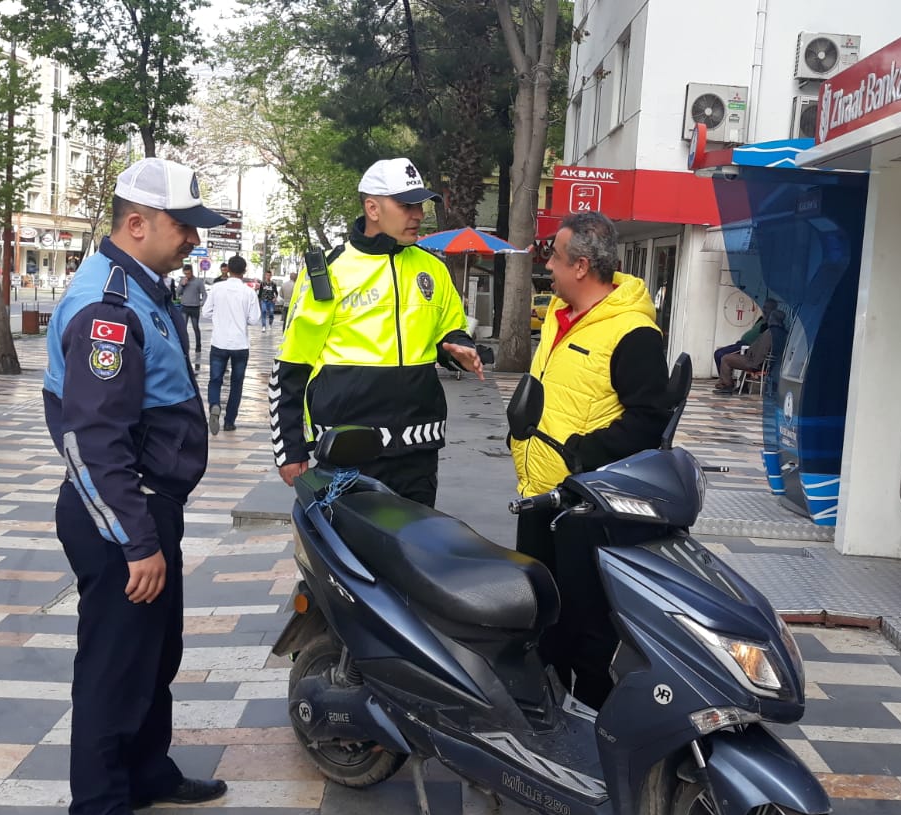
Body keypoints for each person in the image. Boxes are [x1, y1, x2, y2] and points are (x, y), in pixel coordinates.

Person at [41, 157, 228, 815]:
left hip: (148, 509)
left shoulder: (143, 288)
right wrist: (135, 541)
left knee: (155, 653)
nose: (193, 240)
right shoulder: (108, 308)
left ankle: (148, 772)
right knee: (115, 668)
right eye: (185, 226)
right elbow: (93, 441)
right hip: (122, 517)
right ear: (138, 223)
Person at [512, 211, 671, 708]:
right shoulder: (559, 317)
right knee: (541, 623)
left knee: (587, 632)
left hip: (586, 509)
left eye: (555, 258)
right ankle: (546, 722)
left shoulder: (634, 333)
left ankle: (594, 727)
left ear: (581, 266)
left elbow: (649, 420)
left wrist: (584, 455)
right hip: (539, 498)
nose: (548, 267)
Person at [270, 157, 483, 506]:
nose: (418, 215)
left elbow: (451, 330)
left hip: (418, 450)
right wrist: (290, 449)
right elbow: (291, 366)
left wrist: (459, 349)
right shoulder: (329, 271)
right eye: (407, 206)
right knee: (350, 543)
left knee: (415, 541)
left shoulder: (434, 268)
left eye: (421, 205)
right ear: (372, 208)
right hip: (347, 451)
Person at [202, 255, 260, 433]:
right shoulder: (249, 292)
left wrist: (220, 316)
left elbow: (205, 312)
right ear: (244, 271)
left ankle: (214, 404)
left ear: (227, 269)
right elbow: (254, 319)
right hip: (240, 344)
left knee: (215, 379)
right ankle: (229, 421)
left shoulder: (217, 288)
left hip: (219, 342)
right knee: (236, 383)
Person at [713, 297, 781, 394]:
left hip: (748, 348)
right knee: (718, 353)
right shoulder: (762, 320)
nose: (764, 309)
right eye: (764, 307)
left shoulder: (769, 328)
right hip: (743, 345)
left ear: (773, 310)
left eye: (767, 308)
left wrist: (750, 352)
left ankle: (726, 384)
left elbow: (762, 347)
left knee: (722, 355)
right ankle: (730, 382)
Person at [178, 266, 205, 357]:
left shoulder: (198, 281)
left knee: (195, 327)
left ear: (192, 272)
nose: (187, 275)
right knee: (183, 328)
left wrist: (202, 303)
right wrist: (182, 285)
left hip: (195, 307)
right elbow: (178, 292)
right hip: (184, 307)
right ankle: (184, 346)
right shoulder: (182, 280)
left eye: (188, 273)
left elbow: (204, 293)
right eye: (185, 273)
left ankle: (198, 346)